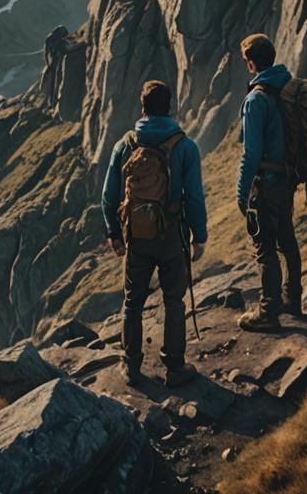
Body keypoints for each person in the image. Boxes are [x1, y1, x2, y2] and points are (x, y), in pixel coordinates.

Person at [101, 80, 207, 387]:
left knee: (133, 302)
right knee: (174, 301)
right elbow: (194, 197)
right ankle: (175, 368)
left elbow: (109, 196)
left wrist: (114, 233)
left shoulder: (125, 145)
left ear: (143, 107)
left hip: (136, 235)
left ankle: (130, 366)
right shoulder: (185, 147)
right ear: (170, 106)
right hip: (172, 235)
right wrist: (198, 237)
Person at [236, 33, 303, 332]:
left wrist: (242, 193)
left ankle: (268, 311)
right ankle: (294, 298)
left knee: (264, 245)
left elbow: (250, 153)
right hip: (288, 178)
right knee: (286, 237)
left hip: (266, 181)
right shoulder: (288, 87)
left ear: (250, 64)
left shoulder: (256, 99)